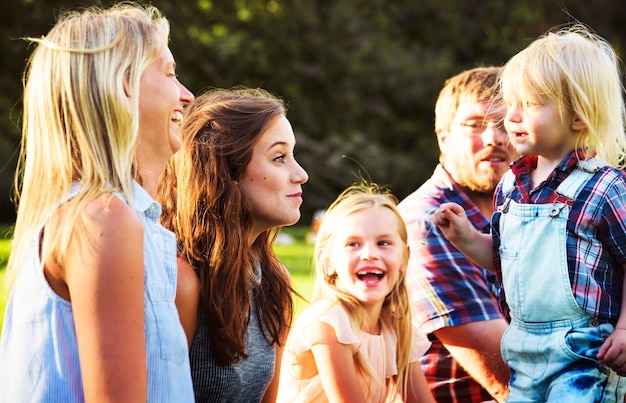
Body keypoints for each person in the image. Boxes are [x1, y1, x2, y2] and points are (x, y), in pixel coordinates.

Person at [0, 3, 195, 402]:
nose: (187, 96)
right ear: (123, 85)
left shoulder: (122, 221)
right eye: (170, 74)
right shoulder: (103, 219)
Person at [433, 25, 626, 402]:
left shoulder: (606, 188)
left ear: (579, 116)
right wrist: (467, 239)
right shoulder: (511, 185)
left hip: (585, 354)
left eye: (532, 104)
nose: (513, 116)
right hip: (524, 351)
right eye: (513, 103)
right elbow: (506, 260)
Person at [157, 87, 309, 402]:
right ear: (226, 172)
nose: (301, 175)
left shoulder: (274, 283)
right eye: (279, 157)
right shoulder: (181, 281)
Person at [397, 66, 516, 402]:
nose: (494, 138)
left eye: (506, 123)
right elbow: (505, 376)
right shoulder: (430, 222)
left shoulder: (525, 210)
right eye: (475, 125)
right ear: (443, 138)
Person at [277, 181, 436, 403]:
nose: (369, 254)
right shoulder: (328, 324)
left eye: (383, 243)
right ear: (329, 261)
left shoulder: (395, 326)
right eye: (353, 244)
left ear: (404, 258)